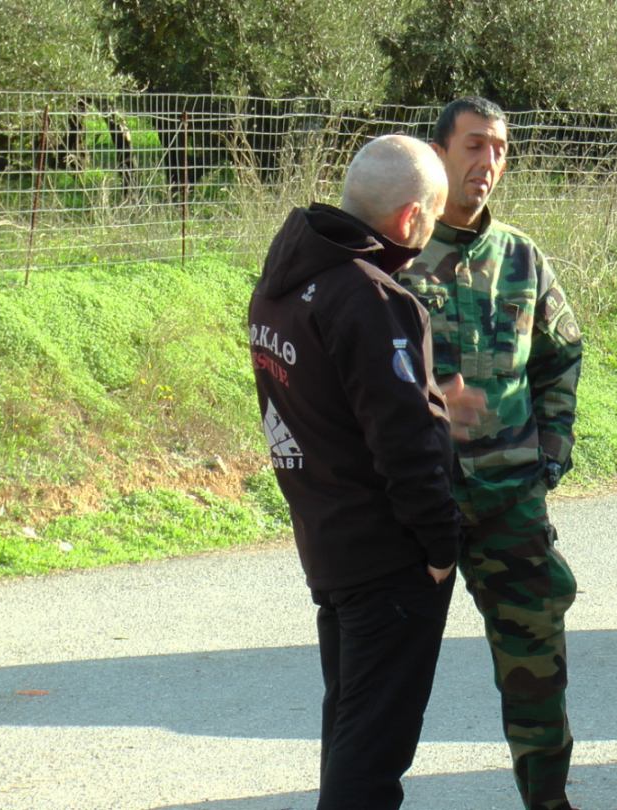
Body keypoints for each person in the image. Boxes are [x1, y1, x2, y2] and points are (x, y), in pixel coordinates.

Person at [248, 134, 460, 809]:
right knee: (369, 758)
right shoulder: (371, 299)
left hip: (329, 544)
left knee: (350, 732)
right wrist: (439, 547)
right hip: (386, 558)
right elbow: (405, 439)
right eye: (433, 217)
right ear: (410, 217)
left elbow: (325, 408)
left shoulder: (284, 285)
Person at [397, 97, 583, 810]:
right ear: (439, 153)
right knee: (385, 674)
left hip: (510, 502)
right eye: (474, 145)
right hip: (418, 504)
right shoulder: (397, 254)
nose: (488, 161)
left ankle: (548, 800)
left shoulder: (521, 257)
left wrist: (551, 450)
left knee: (537, 668)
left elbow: (562, 354)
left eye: (499, 149)